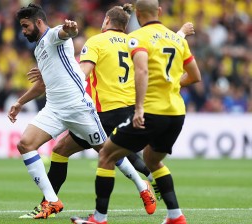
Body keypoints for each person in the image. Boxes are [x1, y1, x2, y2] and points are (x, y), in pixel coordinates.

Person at [19, 3, 195, 219]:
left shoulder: (96, 41)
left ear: (107, 22)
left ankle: (134, 192)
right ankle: (52, 201)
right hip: (132, 105)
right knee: (73, 150)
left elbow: (80, 66)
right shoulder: (134, 39)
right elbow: (164, 46)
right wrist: (181, 32)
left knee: (107, 152)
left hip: (99, 109)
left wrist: (68, 46)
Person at [71, 0, 201, 223]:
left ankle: (99, 218)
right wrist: (171, 84)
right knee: (152, 160)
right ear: (159, 11)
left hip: (150, 111)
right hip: (176, 113)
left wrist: (139, 107)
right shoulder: (176, 40)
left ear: (137, 14)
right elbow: (195, 76)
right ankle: (175, 217)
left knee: (106, 155)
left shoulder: (137, 37)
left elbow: (141, 70)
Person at [9, 3, 109, 219]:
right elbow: (42, 85)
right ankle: (52, 201)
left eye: (25, 26)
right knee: (25, 144)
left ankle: (143, 182)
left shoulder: (53, 34)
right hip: (55, 108)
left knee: (108, 151)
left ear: (38, 22)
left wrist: (71, 29)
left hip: (77, 105)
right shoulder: (39, 49)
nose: (23, 31)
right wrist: (20, 103)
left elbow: (66, 33)